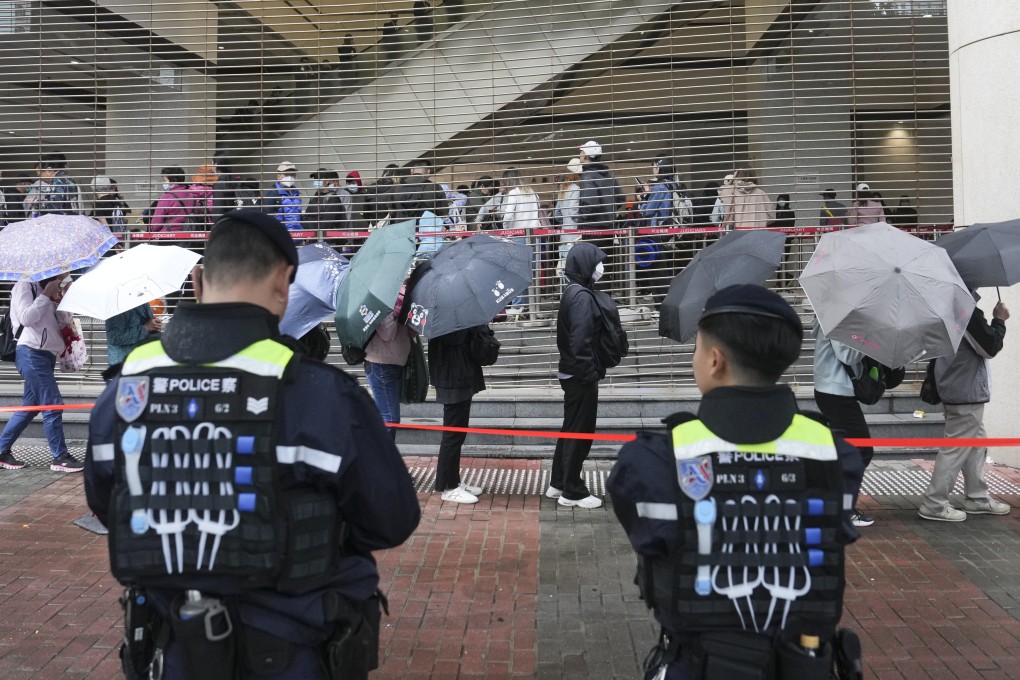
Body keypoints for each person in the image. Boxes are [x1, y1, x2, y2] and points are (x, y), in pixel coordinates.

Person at [83, 209, 421, 679]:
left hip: (171, 651)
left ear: (198, 281)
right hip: (298, 653)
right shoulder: (327, 398)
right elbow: (392, 521)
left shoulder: (121, 394)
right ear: (285, 283)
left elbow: (105, 504)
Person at [608, 284, 864, 679]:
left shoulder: (653, 460)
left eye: (695, 349)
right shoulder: (837, 456)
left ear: (714, 360)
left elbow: (648, 537)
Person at [919, 298, 1010, 522]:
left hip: (954, 384)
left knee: (976, 444)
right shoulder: (964, 310)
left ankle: (977, 497)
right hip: (965, 389)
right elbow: (989, 347)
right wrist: (999, 321)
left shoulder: (940, 306)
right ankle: (935, 503)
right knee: (956, 447)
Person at [548, 242, 613, 509]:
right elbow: (580, 341)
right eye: (597, 261)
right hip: (580, 375)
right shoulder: (582, 297)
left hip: (571, 372)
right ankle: (572, 491)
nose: (601, 267)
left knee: (570, 427)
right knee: (580, 431)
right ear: (585, 265)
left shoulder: (573, 292)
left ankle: (559, 482)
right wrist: (590, 374)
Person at [0, 276, 82, 472]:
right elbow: (26, 318)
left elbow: (55, 322)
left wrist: (63, 293)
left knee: (30, 407)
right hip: (30, 353)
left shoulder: (43, 287)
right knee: (52, 403)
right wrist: (46, 294)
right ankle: (59, 457)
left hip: (45, 355)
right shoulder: (24, 286)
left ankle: (1, 451)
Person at [812, 319, 875, 528]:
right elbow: (847, 355)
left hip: (832, 390)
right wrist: (867, 337)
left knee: (846, 451)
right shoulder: (838, 319)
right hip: (835, 393)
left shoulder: (832, 316)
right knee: (861, 450)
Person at [427, 324, 497, 504]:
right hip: (453, 376)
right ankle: (448, 487)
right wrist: (476, 328)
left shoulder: (454, 314)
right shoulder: (445, 316)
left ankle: (454, 481)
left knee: (457, 433)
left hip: (459, 373)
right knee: (452, 434)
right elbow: (455, 339)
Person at [364, 298, 413, 439]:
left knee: (387, 416)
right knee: (390, 418)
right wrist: (398, 312)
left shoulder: (401, 298)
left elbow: (413, 333)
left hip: (394, 363)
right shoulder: (381, 299)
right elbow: (387, 333)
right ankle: (381, 457)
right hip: (381, 364)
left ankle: (379, 455)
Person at [105, 302, 160, 367]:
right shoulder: (117, 306)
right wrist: (145, 328)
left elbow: (146, 321)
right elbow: (114, 338)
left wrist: (154, 324)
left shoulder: (141, 299)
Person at [150, 167, 197, 232]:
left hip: (170, 236)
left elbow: (155, 225)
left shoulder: (166, 198)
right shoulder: (193, 196)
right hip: (190, 235)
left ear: (174, 180)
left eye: (165, 180)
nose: (164, 183)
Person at [264, 161, 303, 230]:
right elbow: (267, 218)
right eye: (286, 174)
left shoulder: (296, 193)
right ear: (278, 176)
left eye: (293, 174)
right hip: (282, 237)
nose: (290, 177)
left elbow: (300, 216)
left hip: (298, 236)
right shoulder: (272, 193)